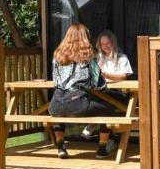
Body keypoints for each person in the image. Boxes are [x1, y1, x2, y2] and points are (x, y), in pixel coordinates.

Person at [49, 23, 115, 159]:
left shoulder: (57, 55)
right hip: (79, 104)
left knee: (59, 113)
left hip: (56, 103)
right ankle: (102, 149)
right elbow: (99, 84)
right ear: (85, 37)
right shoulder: (89, 55)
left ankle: (61, 147)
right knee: (109, 109)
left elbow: (55, 80)